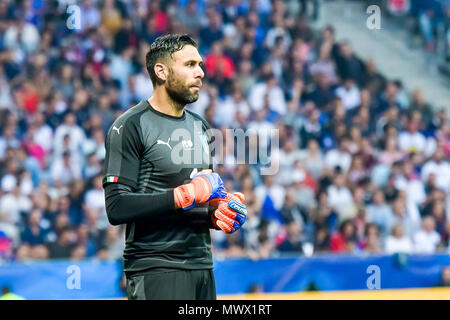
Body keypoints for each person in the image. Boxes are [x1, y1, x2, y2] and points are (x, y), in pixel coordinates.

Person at [102, 34, 248, 300]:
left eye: (200, 65)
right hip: (156, 268)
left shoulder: (201, 127)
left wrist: (214, 215)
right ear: (162, 71)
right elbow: (117, 207)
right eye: (190, 65)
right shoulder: (130, 126)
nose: (201, 73)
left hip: (202, 266)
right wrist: (184, 195)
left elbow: (195, 205)